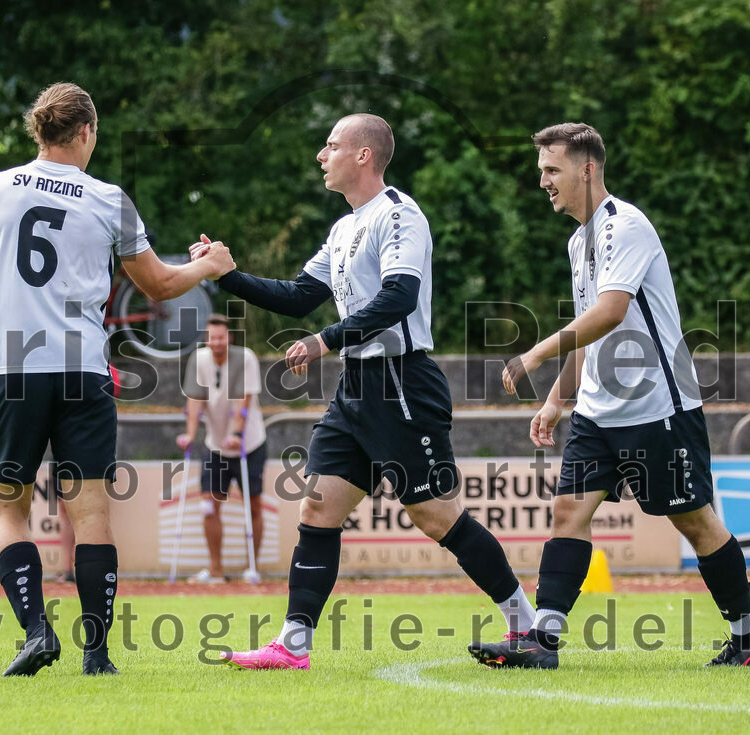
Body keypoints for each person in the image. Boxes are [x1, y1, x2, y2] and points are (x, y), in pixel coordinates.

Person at [191, 114, 535, 670]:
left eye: (330, 145)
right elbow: (301, 295)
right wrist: (227, 275)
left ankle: (526, 625)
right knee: (318, 505)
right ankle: (293, 645)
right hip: (357, 387)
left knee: (435, 517)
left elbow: (399, 298)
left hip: (402, 385)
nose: (320, 156)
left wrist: (326, 340)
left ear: (363, 156)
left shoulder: (400, 214)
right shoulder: (343, 227)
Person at [0, 82, 234, 677]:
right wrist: (212, 264)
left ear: (37, 132)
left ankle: (36, 631)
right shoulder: (109, 199)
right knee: (91, 512)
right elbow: (161, 286)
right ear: (87, 131)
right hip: (84, 374)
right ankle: (97, 655)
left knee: (7, 510)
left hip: (16, 371)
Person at [468, 122, 750, 669]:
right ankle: (544, 640)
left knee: (695, 522)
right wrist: (558, 399)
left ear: (586, 169)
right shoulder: (577, 240)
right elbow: (591, 330)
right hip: (597, 413)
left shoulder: (626, 225)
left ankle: (749, 635)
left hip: (659, 408)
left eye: (551, 169)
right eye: (541, 170)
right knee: (567, 511)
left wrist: (534, 355)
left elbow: (609, 312)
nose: (542, 181)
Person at [177, 313, 266, 583]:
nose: (216, 342)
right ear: (207, 338)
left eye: (221, 337)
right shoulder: (199, 359)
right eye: (211, 337)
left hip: (248, 444)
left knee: (253, 506)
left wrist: (237, 433)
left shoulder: (245, 357)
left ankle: (252, 566)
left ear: (229, 337)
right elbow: (194, 400)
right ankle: (215, 569)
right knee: (209, 505)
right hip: (214, 444)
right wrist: (190, 434)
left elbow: (244, 401)